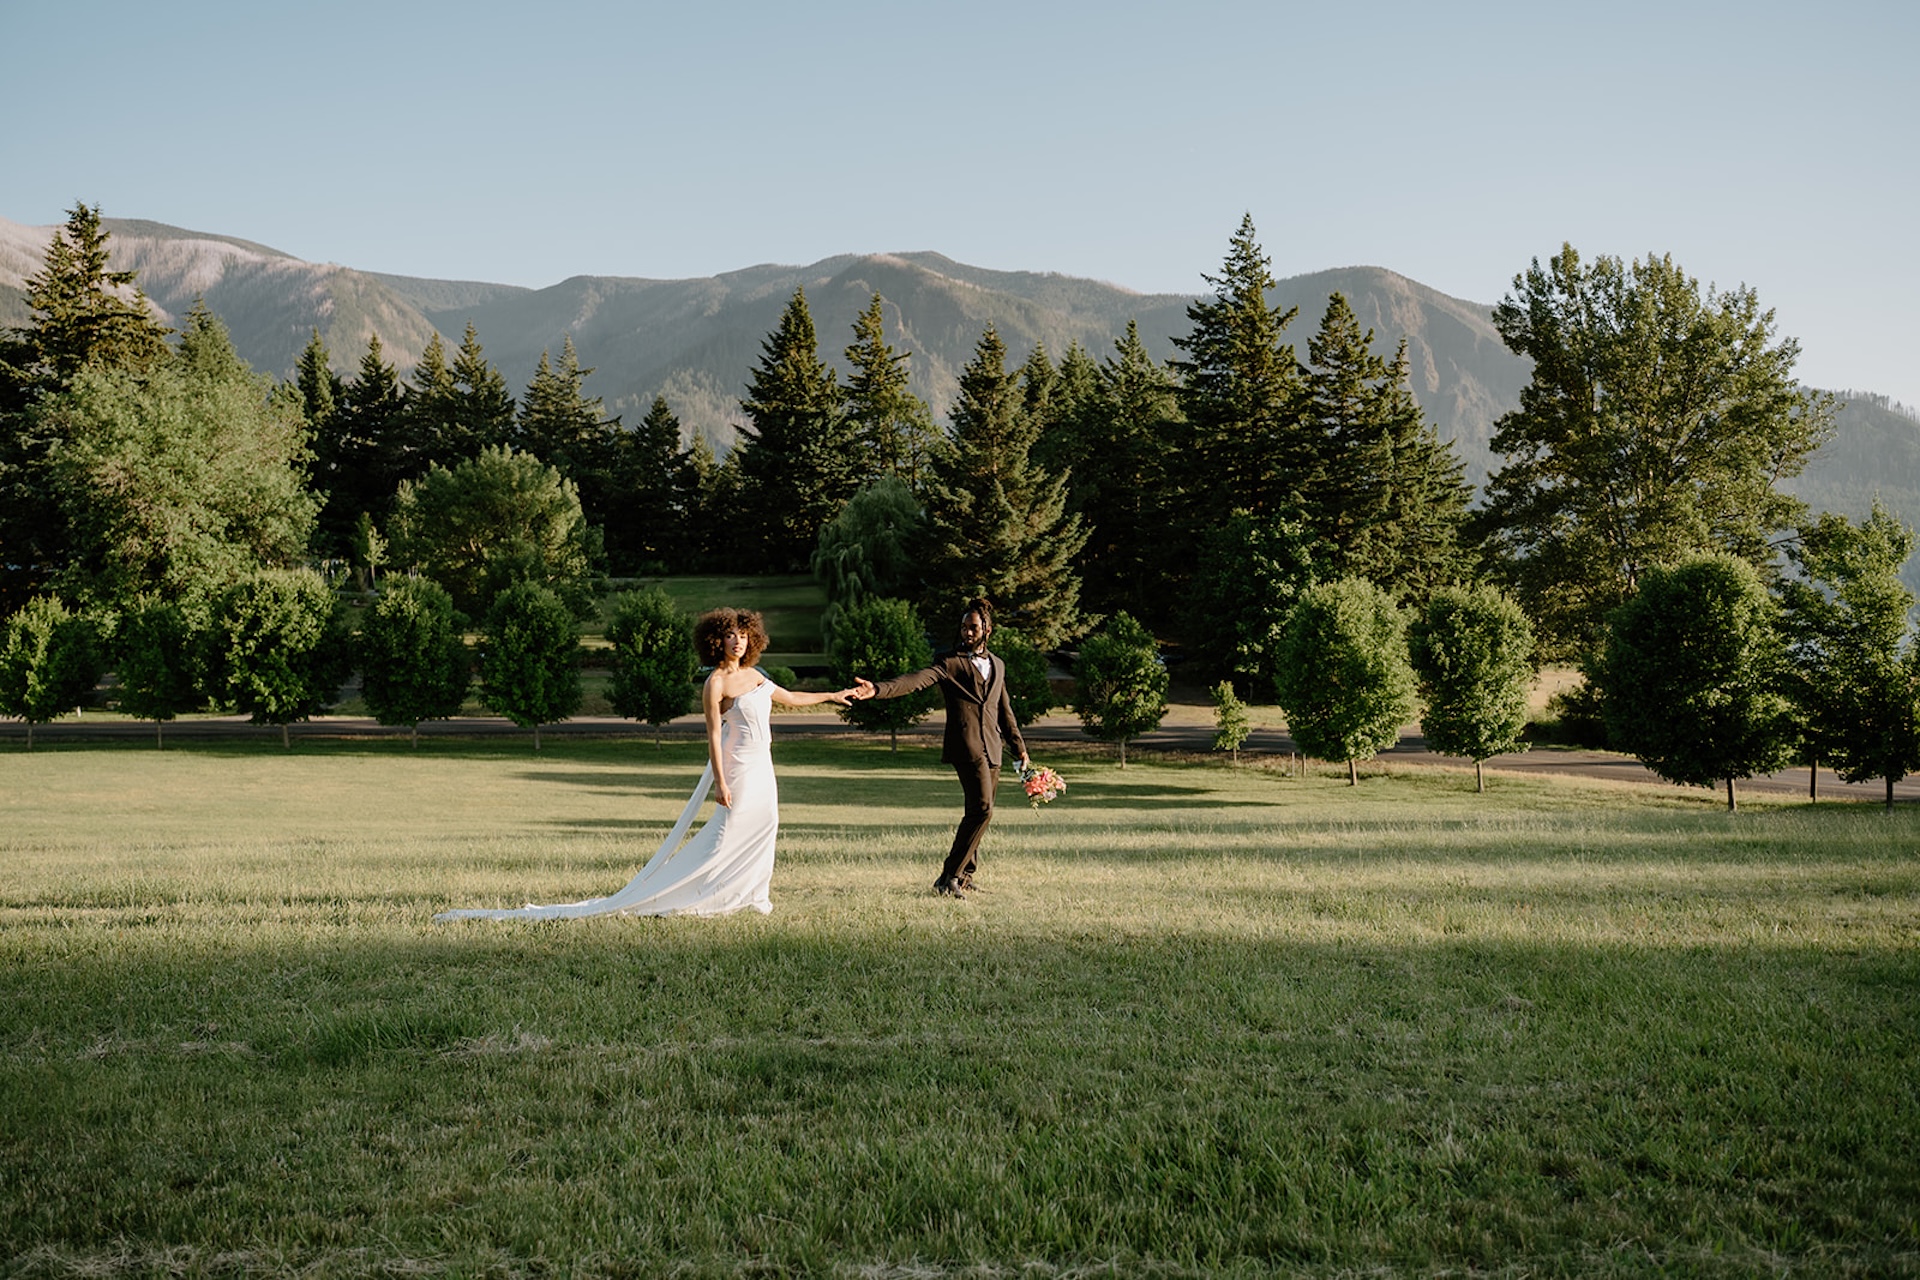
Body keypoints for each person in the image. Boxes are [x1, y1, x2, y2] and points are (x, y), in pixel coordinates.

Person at [435, 608, 857, 921]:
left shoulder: (759, 676)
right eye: (730, 636)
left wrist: (834, 695)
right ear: (716, 641)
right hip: (739, 769)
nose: (737, 642)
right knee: (723, 836)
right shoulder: (716, 682)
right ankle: (682, 893)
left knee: (765, 828)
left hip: (764, 768)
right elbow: (712, 734)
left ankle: (752, 892)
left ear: (752, 639)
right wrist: (721, 782)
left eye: (743, 635)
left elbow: (792, 699)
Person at [853, 598, 1028, 899]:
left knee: (979, 812)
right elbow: (916, 680)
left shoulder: (998, 665)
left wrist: (1020, 748)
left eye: (973, 627)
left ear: (987, 629)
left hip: (994, 749)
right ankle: (950, 876)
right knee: (982, 809)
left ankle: (966, 875)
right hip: (967, 746)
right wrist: (879, 689)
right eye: (963, 627)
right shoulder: (949, 663)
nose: (967, 632)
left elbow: (1004, 710)